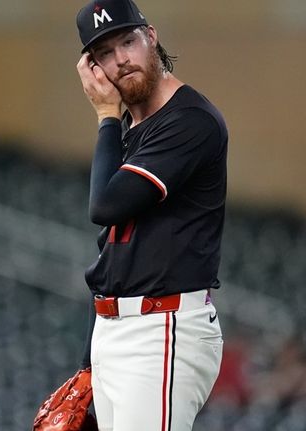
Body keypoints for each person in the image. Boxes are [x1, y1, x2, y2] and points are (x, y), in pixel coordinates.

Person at [74, 0, 229, 430]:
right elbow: (108, 250)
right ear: (91, 67)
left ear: (151, 37)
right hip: (117, 328)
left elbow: (103, 205)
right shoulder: (129, 132)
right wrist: (88, 364)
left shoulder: (190, 120)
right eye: (104, 53)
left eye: (128, 41)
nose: (120, 60)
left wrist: (105, 114)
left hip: (162, 329)